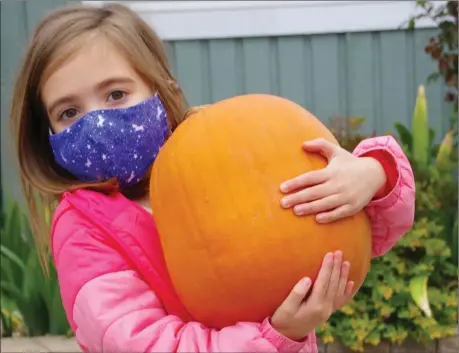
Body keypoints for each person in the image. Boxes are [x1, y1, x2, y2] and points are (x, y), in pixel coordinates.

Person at [9, 3, 415, 353]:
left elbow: (354, 233)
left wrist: (372, 176)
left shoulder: (223, 146)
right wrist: (275, 337)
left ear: (162, 88)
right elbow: (143, 343)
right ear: (46, 137)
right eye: (68, 113)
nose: (96, 121)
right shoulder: (83, 228)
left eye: (116, 94)